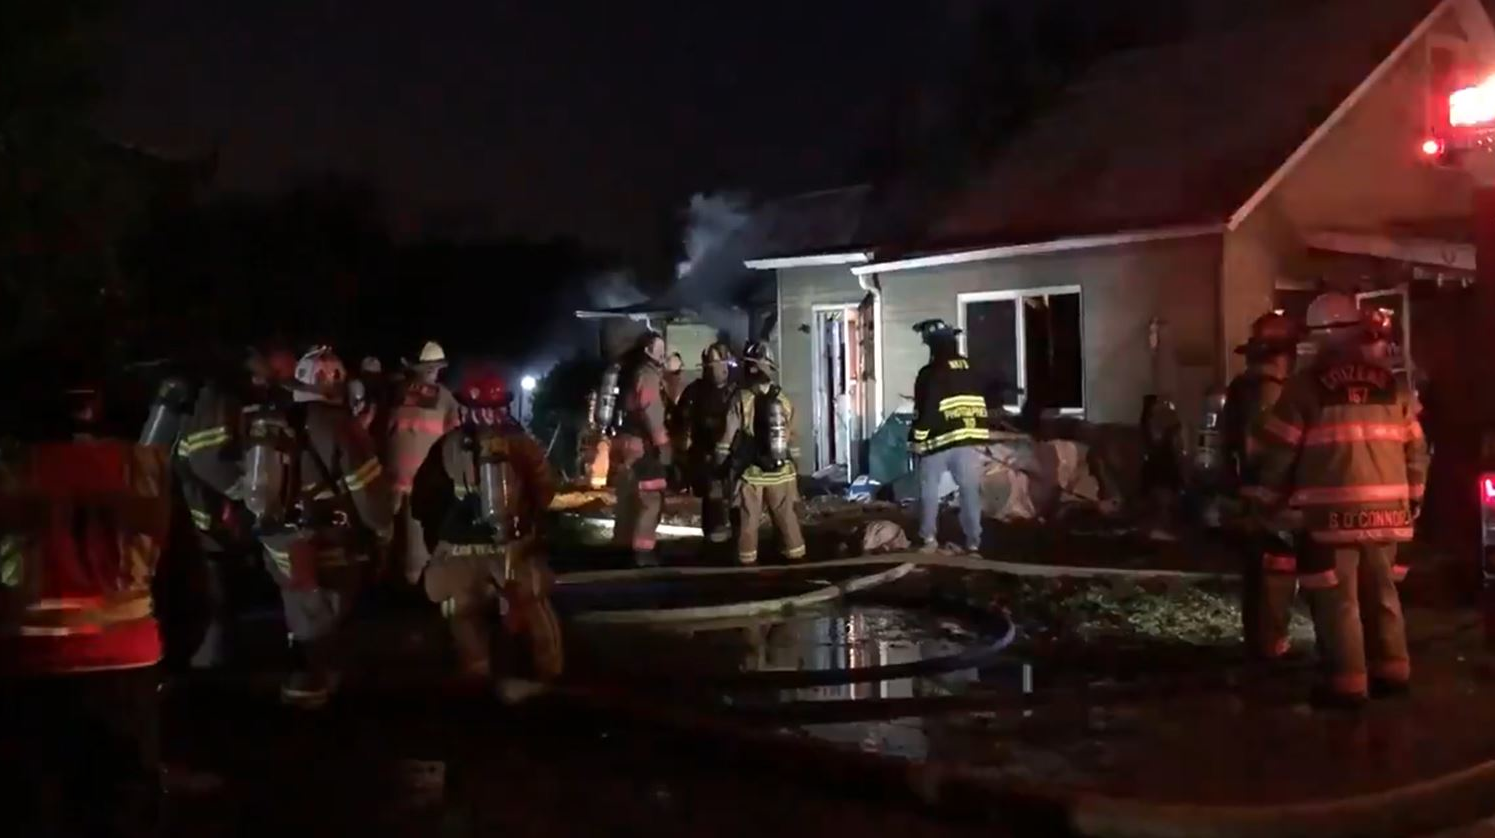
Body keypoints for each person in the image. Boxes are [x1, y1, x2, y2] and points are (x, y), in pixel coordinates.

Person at [0, 374, 174, 838]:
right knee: (121, 806)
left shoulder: (10, 468)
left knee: (35, 804)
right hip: (127, 669)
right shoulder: (142, 466)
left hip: (26, 669)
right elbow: (185, 584)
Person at [1252, 292, 1428, 708]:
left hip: (1330, 521)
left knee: (1338, 601)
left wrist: (1266, 501)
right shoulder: (1393, 385)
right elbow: (1417, 451)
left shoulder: (1303, 389)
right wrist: (1413, 499)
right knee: (1383, 595)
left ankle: (1347, 685)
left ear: (1319, 337)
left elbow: (1278, 453)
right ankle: (1393, 671)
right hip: (1389, 516)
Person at [248, 346, 394, 708]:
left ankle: (298, 687)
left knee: (299, 614)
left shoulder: (273, 420)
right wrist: (382, 532)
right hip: (332, 545)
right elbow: (372, 498)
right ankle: (318, 696)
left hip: (281, 545)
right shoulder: (343, 426)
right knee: (327, 622)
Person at [410, 368, 562, 700]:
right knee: (534, 610)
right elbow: (545, 492)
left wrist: (441, 538)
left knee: (463, 617)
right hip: (513, 552)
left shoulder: (447, 445)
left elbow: (422, 500)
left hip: (458, 556)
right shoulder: (523, 444)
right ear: (504, 405)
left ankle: (476, 679)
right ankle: (545, 681)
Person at [1222, 312, 1300, 661]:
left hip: (1249, 496)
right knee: (1275, 573)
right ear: (1284, 354)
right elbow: (1269, 449)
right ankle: (1270, 649)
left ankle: (1259, 645)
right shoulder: (1276, 393)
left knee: (1257, 574)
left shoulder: (1241, 388)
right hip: (1273, 500)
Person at [716, 341, 805, 565]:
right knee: (786, 517)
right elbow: (793, 436)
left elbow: (727, 435)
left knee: (748, 520)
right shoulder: (783, 400)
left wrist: (720, 462)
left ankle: (747, 563)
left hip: (751, 472)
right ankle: (796, 558)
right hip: (781, 471)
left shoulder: (741, 398)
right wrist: (795, 468)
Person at [909, 319, 989, 555]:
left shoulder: (930, 373)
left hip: (938, 442)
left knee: (929, 490)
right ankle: (973, 541)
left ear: (933, 344)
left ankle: (929, 538)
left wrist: (917, 440)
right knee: (969, 490)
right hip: (968, 440)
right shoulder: (971, 367)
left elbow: (926, 411)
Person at [386, 341, 461, 583]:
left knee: (413, 550)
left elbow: (454, 441)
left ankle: (414, 589)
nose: (432, 372)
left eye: (435, 368)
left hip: (418, 485)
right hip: (393, 485)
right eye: (429, 367)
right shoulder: (395, 393)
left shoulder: (444, 399)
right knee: (389, 546)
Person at [612, 332, 673, 567]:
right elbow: (651, 411)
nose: (663, 354)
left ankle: (621, 549)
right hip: (642, 445)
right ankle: (643, 552)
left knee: (628, 500)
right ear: (648, 350)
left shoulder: (629, 372)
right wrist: (663, 444)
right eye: (659, 349)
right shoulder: (647, 375)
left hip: (625, 442)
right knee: (651, 499)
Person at [673, 342, 736, 547]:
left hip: (735, 457)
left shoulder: (737, 392)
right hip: (706, 457)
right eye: (711, 363)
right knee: (713, 497)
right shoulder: (695, 391)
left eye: (720, 362)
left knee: (736, 501)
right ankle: (713, 541)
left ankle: (736, 540)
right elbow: (680, 422)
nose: (717, 368)